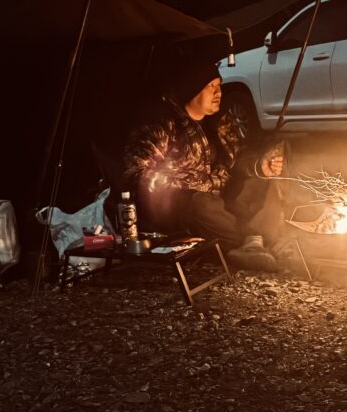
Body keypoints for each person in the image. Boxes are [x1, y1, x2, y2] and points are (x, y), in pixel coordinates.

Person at [122, 59, 290, 271]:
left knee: (263, 179)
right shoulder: (163, 124)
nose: (218, 92)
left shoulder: (220, 122)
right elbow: (137, 173)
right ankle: (254, 241)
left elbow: (238, 157)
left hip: (222, 198)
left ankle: (251, 242)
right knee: (202, 204)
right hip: (183, 204)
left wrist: (259, 166)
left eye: (219, 85)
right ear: (192, 89)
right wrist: (189, 189)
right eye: (211, 86)